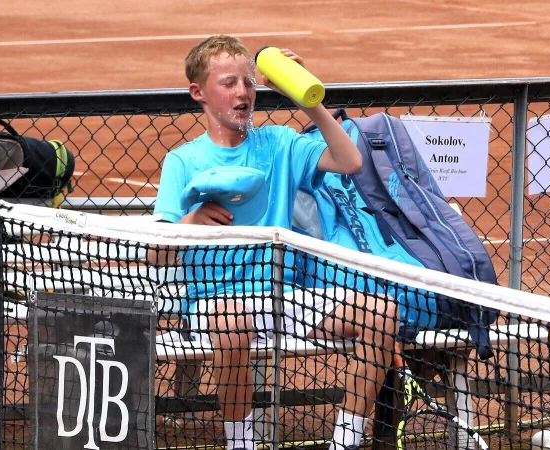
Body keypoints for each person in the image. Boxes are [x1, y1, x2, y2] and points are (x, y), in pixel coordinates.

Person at [148, 35, 398, 450]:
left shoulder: (280, 143)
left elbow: (350, 161)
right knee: (233, 324)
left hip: (285, 298)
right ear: (199, 93)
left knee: (381, 313)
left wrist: (306, 99)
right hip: (218, 304)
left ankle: (346, 441)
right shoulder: (182, 161)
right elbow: (155, 254)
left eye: (249, 82)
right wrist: (190, 222)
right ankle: (240, 444)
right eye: (229, 83)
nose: (243, 92)